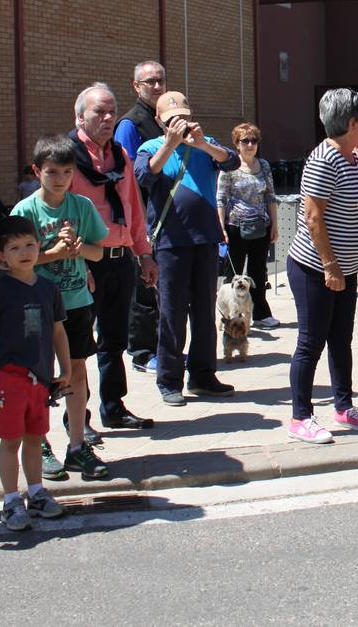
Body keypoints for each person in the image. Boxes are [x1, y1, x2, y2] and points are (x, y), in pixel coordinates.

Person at [11, 136, 110, 481]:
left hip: (76, 302)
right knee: (37, 376)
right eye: (52, 172)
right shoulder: (25, 211)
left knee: (77, 371)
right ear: (37, 171)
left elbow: (99, 252)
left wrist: (80, 249)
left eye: (67, 172)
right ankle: (39, 443)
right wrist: (54, 252)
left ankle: (77, 445)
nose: (60, 179)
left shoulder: (82, 207)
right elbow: (13, 262)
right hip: (35, 306)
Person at [284, 89, 358, 443]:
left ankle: (343, 407)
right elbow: (312, 217)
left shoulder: (351, 157)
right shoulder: (325, 158)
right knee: (311, 341)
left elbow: (351, 211)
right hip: (315, 267)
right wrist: (330, 264)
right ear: (351, 121)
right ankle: (300, 417)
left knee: (341, 338)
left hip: (345, 264)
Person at [135, 90, 238, 406]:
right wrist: (169, 144)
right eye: (171, 120)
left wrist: (202, 144)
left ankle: (203, 374)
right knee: (172, 314)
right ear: (159, 121)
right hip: (170, 242)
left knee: (205, 312)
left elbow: (231, 160)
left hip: (205, 239)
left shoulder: (205, 144)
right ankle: (169, 380)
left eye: (183, 117)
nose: (179, 124)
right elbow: (142, 175)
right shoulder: (151, 148)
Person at [69, 84, 158, 433]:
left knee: (114, 339)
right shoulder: (68, 156)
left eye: (111, 111)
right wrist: (76, 260)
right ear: (80, 117)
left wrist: (145, 255)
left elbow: (134, 210)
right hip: (83, 262)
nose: (108, 118)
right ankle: (78, 418)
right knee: (78, 347)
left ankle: (113, 406)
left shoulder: (120, 155)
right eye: (99, 112)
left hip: (120, 260)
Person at [0, 216, 70, 531]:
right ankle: (11, 499)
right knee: (10, 440)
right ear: (1, 255)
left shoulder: (48, 289)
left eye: (29, 244)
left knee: (34, 439)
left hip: (41, 379)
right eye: (14, 247)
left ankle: (37, 492)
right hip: (8, 378)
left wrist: (66, 368)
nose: (24, 252)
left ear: (39, 245)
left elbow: (58, 332)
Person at [116, 60, 167, 373]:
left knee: (161, 287)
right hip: (143, 220)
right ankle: (141, 353)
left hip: (164, 217)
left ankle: (163, 348)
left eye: (161, 80)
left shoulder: (163, 119)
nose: (157, 87)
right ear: (136, 86)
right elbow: (128, 177)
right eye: (150, 82)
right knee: (144, 289)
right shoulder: (131, 124)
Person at [217, 122, 279, 328]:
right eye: (245, 141)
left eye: (254, 141)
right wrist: (221, 227)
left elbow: (270, 196)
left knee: (258, 272)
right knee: (232, 273)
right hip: (236, 226)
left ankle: (260, 314)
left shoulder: (264, 166)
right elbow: (221, 198)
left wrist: (275, 225)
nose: (250, 145)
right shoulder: (230, 167)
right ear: (237, 144)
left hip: (260, 226)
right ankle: (229, 316)